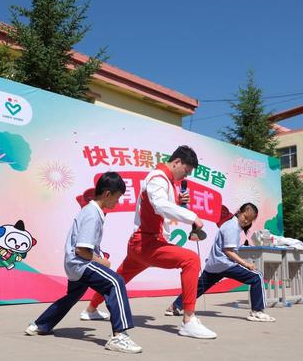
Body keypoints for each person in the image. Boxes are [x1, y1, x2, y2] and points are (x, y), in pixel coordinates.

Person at [82, 145, 217, 339]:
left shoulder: (165, 181)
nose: (185, 176)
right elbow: (160, 204)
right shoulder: (158, 178)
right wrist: (192, 217)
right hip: (147, 242)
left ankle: (90, 309)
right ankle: (188, 320)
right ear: (177, 162)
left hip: (141, 243)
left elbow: (160, 207)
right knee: (191, 260)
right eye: (186, 171)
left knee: (117, 279)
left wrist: (179, 203)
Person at [25, 172, 142, 353]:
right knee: (115, 282)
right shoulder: (92, 214)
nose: (117, 202)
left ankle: (40, 324)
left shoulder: (92, 211)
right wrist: (101, 261)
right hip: (80, 263)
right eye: (117, 198)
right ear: (107, 194)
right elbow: (82, 250)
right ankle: (119, 336)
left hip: (74, 264)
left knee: (72, 296)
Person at [165, 203, 276, 322]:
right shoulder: (232, 226)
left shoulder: (231, 225)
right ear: (239, 211)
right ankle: (257, 311)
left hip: (214, 265)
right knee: (257, 277)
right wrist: (246, 264)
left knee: (197, 287)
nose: (246, 221)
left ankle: (174, 307)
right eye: (245, 217)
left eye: (249, 220)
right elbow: (228, 251)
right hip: (225, 264)